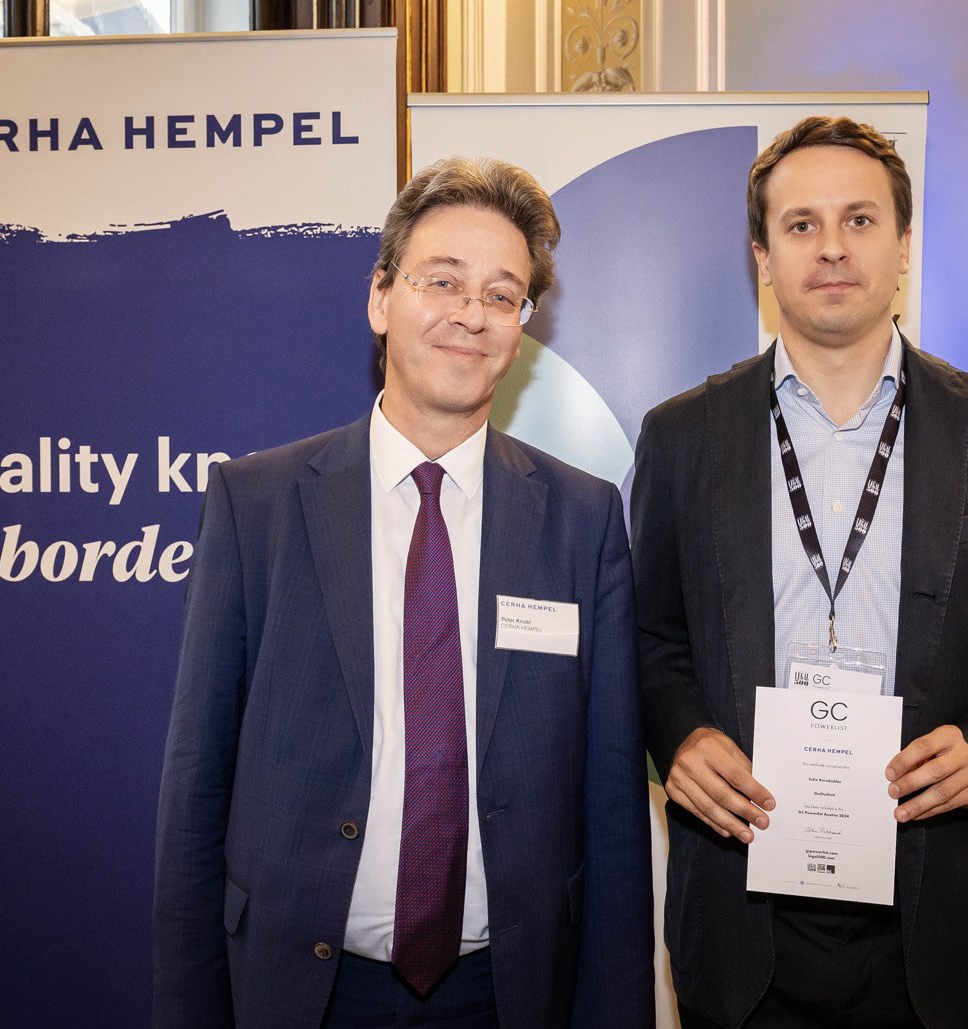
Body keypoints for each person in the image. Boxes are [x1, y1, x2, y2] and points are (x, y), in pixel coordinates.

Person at [154, 157, 654, 1029]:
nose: (471, 313)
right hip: (304, 990)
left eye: (503, 294)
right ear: (381, 297)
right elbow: (198, 782)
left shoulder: (582, 520)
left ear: (522, 327)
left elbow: (612, 802)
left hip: (506, 992)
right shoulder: (257, 505)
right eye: (443, 281)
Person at [633, 116, 968, 1029]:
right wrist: (681, 737)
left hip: (936, 911)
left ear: (904, 245)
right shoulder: (682, 435)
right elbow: (651, 637)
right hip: (741, 907)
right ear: (763, 257)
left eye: (859, 219)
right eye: (801, 224)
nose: (832, 247)